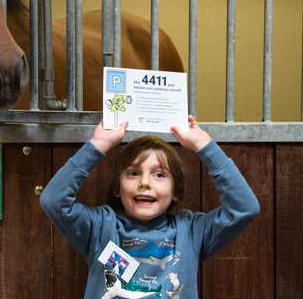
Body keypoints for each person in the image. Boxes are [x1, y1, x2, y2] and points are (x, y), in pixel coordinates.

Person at [40, 116, 260, 299]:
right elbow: (53, 200)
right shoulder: (100, 227)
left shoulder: (191, 231)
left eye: (159, 174)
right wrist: (98, 144)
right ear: (118, 187)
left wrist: (205, 147)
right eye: (133, 173)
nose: (145, 182)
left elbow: (245, 207)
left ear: (176, 192)